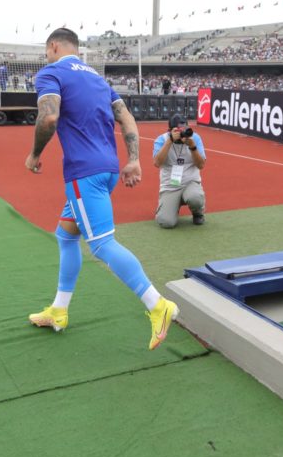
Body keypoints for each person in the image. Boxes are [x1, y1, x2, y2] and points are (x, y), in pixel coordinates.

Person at [25, 28, 178, 350]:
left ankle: (158, 305)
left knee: (101, 244)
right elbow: (127, 119)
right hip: (107, 169)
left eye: (46, 50)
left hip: (84, 173)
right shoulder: (98, 80)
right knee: (66, 235)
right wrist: (134, 160)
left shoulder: (51, 73)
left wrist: (35, 154)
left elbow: (49, 118)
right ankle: (59, 310)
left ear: (53, 46)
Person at [152, 114, 207, 227]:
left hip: (190, 182)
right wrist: (170, 141)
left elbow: (201, 165)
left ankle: (198, 212)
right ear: (170, 130)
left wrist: (192, 147)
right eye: (178, 130)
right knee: (166, 222)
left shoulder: (194, 138)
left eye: (184, 129)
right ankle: (171, 206)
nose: (182, 133)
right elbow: (157, 163)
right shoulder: (161, 139)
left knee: (195, 198)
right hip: (170, 185)